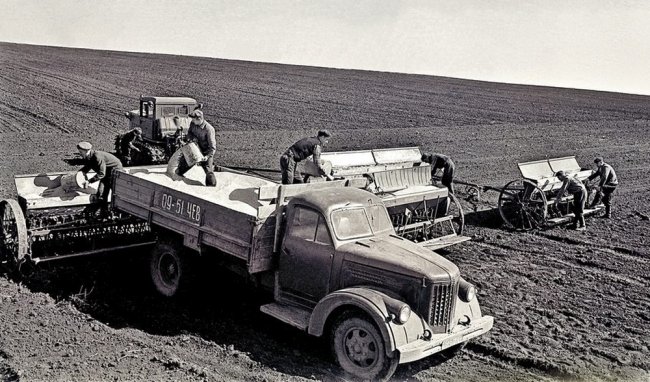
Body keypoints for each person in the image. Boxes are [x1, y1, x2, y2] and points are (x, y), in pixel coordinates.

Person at [77, 141, 123, 215]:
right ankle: (103, 211)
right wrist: (78, 174)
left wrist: (89, 181)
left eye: (81, 152)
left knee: (106, 190)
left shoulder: (97, 157)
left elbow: (102, 174)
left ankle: (109, 210)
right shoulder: (89, 157)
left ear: (87, 151)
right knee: (101, 192)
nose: (80, 154)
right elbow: (87, 167)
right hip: (107, 171)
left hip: (115, 170)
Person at [175, 109, 217, 186]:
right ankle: (177, 176)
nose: (192, 121)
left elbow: (212, 147)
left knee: (208, 170)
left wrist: (207, 156)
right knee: (185, 163)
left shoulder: (209, 129)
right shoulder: (193, 124)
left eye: (194, 120)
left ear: (199, 119)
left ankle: (211, 186)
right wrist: (191, 138)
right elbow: (189, 133)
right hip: (196, 148)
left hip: (205, 151)